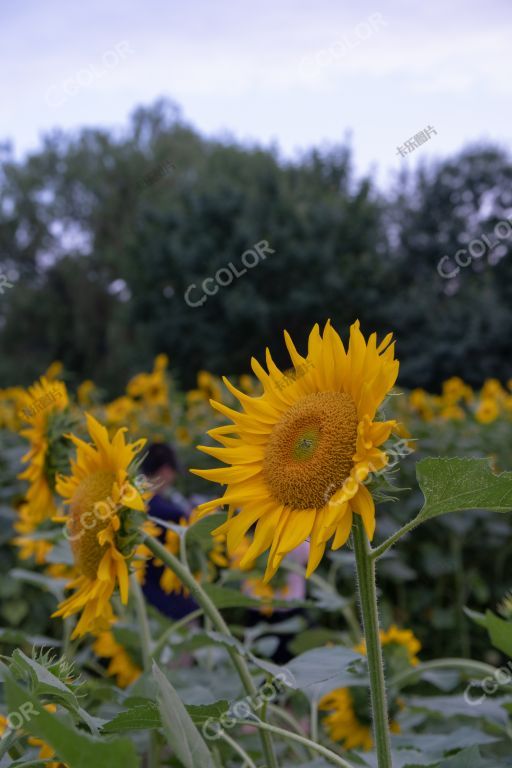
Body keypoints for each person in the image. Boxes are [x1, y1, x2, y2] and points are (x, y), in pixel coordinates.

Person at [141, 443, 198, 620]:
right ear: (165, 471)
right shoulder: (167, 512)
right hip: (166, 597)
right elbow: (185, 524)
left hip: (144, 594)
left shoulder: (132, 501)